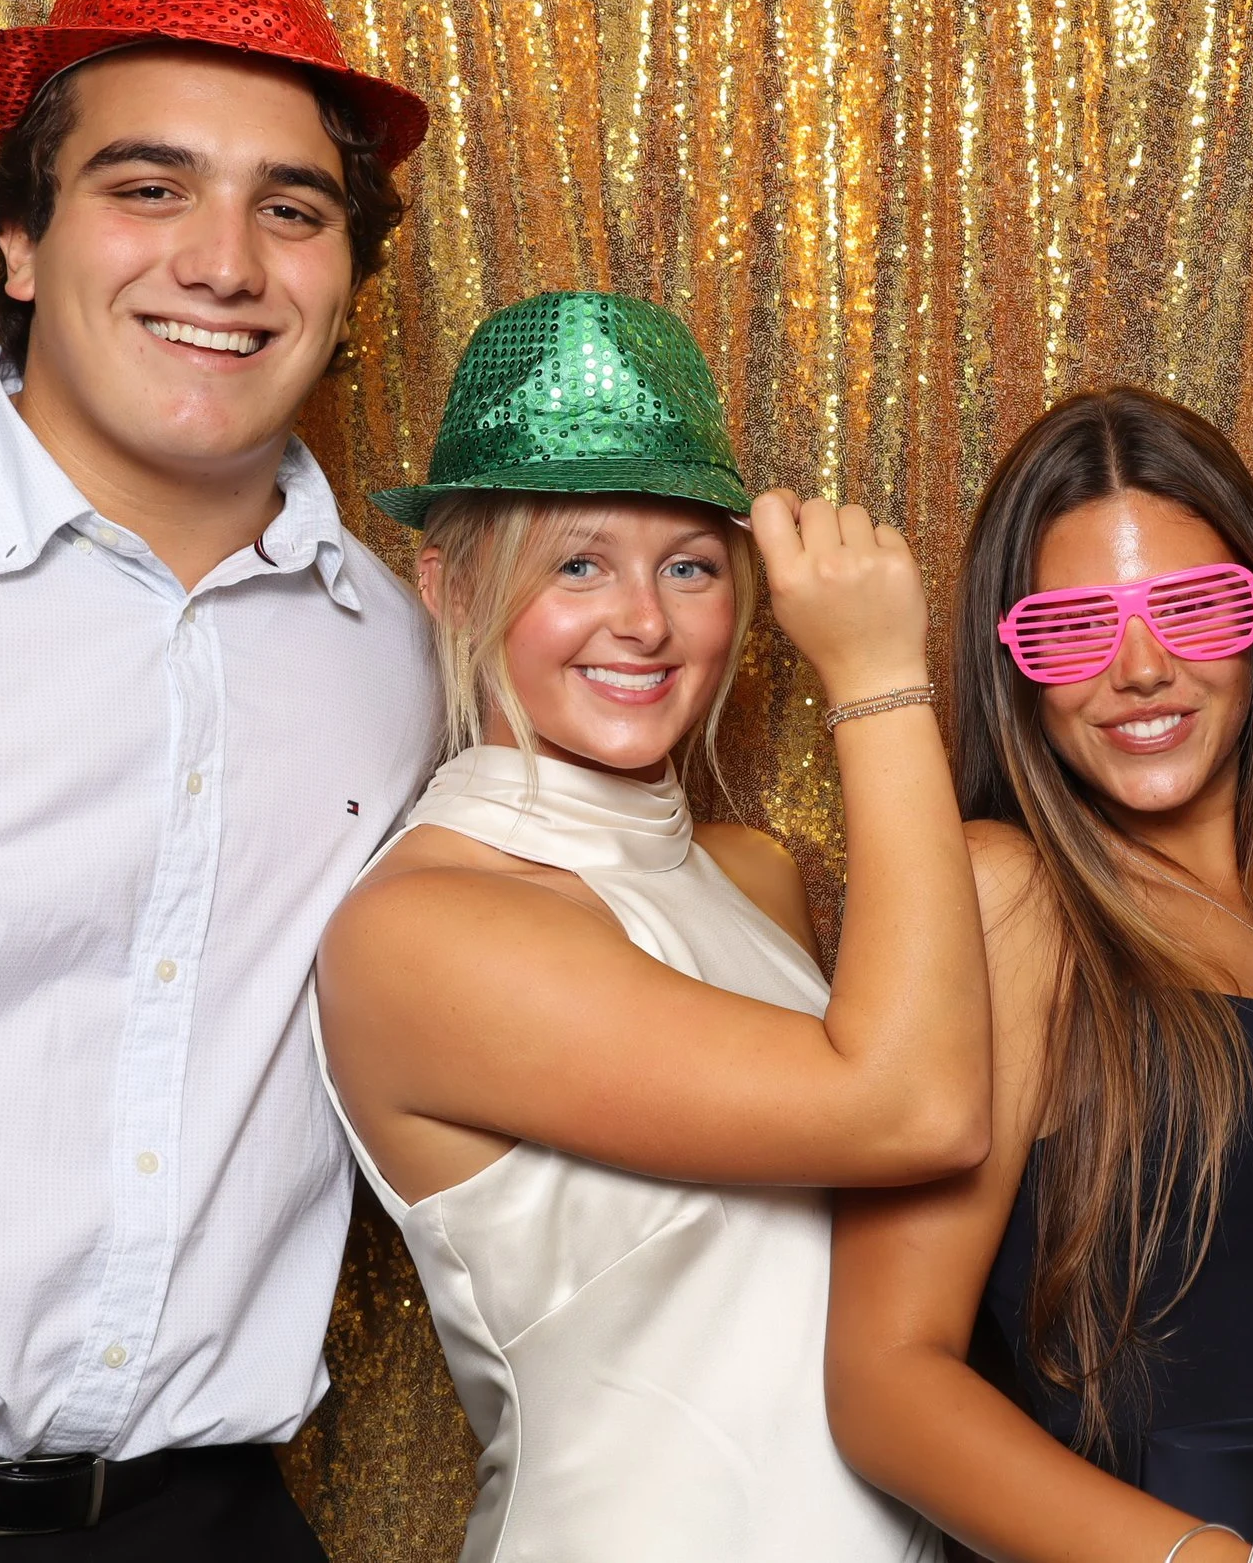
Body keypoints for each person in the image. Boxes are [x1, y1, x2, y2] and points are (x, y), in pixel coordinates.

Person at [0, 0, 437, 1555]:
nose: (221, 261)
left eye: (289, 208)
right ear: (19, 240)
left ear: (348, 274)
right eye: (147, 187)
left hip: (210, 1517)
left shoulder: (399, 651)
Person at [310, 290, 987, 1563]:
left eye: (688, 563)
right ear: (450, 589)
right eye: (577, 562)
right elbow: (917, 1108)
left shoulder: (748, 873)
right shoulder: (430, 928)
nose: (645, 620)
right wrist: (880, 677)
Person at [826, 388, 1253, 1563]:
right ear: (1011, 659)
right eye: (1073, 628)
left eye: (1196, 608)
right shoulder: (1002, 890)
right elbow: (886, 1379)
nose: (1141, 668)